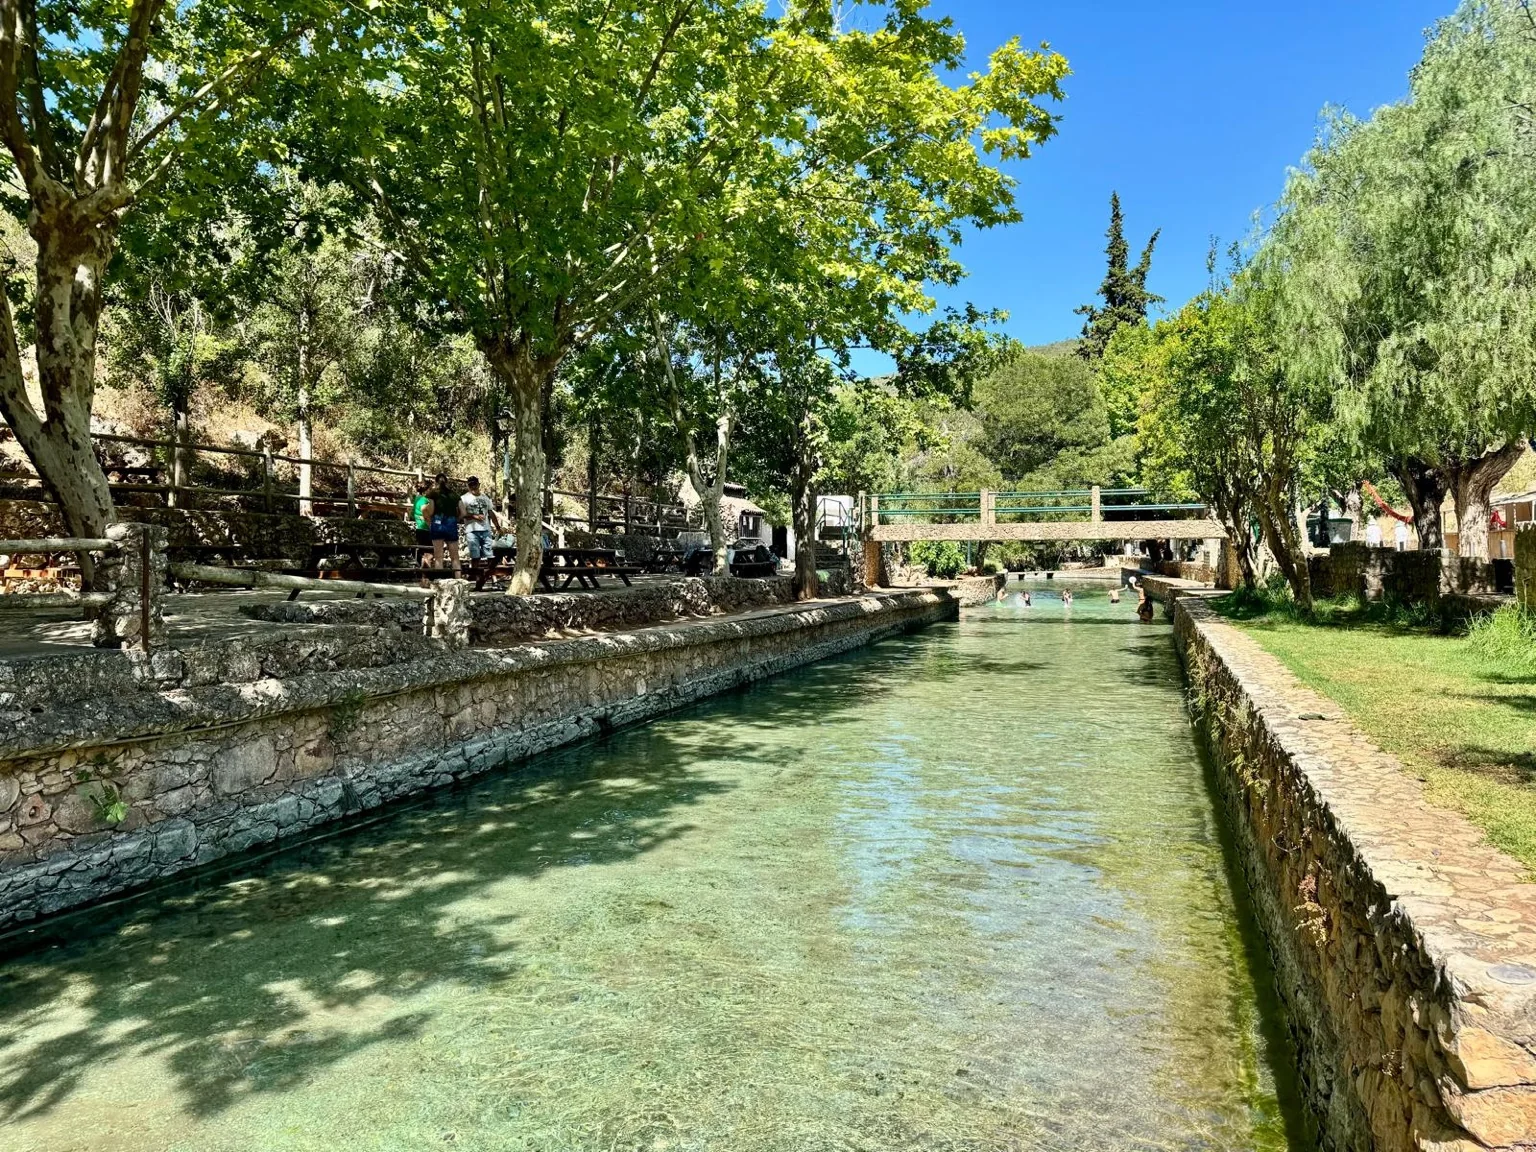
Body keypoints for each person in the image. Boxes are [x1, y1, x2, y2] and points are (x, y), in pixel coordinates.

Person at [459, 476, 501, 570]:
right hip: (472, 530)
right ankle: (475, 574)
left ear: (479, 485)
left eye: (475, 484)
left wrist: (497, 526)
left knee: (490, 554)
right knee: (475, 555)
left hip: (485, 529)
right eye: (471, 485)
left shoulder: (485, 497)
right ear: (468, 486)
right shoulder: (464, 498)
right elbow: (461, 514)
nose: (473, 487)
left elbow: (490, 512)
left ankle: (490, 575)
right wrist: (474, 516)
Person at [429, 472, 463, 576]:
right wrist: (456, 519)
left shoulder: (433, 494)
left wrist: (430, 519)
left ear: (436, 482)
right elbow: (464, 511)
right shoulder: (454, 495)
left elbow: (431, 510)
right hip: (451, 523)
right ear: (446, 482)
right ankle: (459, 580)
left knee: (438, 556)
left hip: (438, 523)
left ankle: (439, 581)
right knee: (455, 556)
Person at [409, 479, 435, 584]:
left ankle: (424, 578)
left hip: (419, 528)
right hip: (426, 529)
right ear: (427, 489)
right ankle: (426, 577)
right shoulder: (425, 500)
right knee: (428, 554)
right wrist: (432, 527)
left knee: (424, 554)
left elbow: (411, 514)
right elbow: (426, 515)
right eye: (431, 489)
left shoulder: (417, 499)